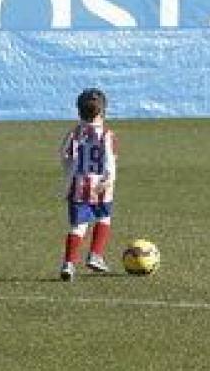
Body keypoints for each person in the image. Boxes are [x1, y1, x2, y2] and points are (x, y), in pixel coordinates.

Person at [59, 88, 117, 282]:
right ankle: (95, 255)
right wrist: (108, 179)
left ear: (79, 111)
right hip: (102, 185)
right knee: (104, 217)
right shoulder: (107, 134)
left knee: (79, 226)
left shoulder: (75, 133)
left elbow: (64, 154)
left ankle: (68, 264)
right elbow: (110, 159)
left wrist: (70, 170)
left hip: (79, 185)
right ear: (103, 111)